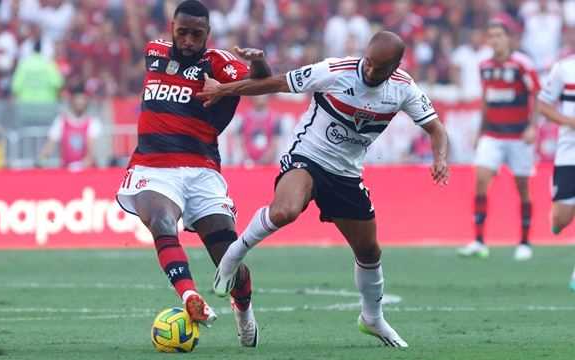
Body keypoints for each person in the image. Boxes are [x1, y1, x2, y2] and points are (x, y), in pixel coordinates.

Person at [200, 31, 449, 348]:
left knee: (369, 251)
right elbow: (274, 84)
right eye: (368, 62)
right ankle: (233, 256)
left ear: (396, 67)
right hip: (307, 156)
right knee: (285, 210)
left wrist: (440, 158)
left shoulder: (403, 88)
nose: (370, 71)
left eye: (379, 68)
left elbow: (436, 128)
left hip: (346, 173)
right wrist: (224, 89)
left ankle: (372, 318)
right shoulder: (335, 71)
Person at [115, 0, 270, 347]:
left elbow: (263, 83)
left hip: (201, 170)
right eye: (181, 32)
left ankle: (243, 308)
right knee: (161, 222)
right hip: (153, 166)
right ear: (172, 28)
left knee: (228, 257)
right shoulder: (154, 50)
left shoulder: (218, 63)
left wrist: (253, 66)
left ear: (207, 35)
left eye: (195, 34)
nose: (187, 40)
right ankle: (188, 297)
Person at [458, 20, 540, 261]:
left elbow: (536, 95)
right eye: (491, 36)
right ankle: (479, 240)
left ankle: (525, 241)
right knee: (481, 180)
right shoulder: (484, 66)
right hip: (492, 134)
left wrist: (532, 127)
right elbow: (486, 98)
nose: (494, 40)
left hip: (518, 136)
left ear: (509, 39)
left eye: (498, 35)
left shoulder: (523, 65)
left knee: (522, 187)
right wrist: (480, 131)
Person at [536, 53, 575, 291]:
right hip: (569, 151)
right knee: (561, 220)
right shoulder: (564, 68)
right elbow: (543, 104)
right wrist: (568, 121)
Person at [39, 87, 102, 170]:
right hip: (66, 171)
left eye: (82, 99)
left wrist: (78, 166)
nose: (80, 102)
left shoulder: (93, 123)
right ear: (72, 101)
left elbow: (91, 153)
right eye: (77, 99)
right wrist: (41, 159)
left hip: (87, 171)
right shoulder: (61, 121)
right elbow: (49, 145)